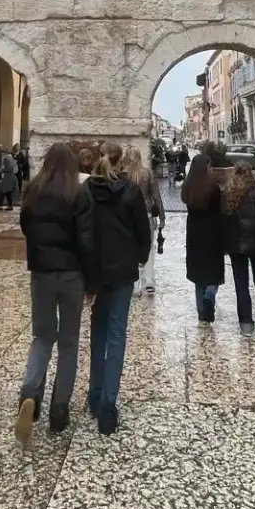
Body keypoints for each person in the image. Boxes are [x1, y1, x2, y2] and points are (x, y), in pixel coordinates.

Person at [15, 144, 96, 442]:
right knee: (69, 342)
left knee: (41, 336)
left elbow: (26, 227)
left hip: (43, 273)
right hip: (72, 274)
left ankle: (30, 394)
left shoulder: (33, 191)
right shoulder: (78, 194)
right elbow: (86, 240)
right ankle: (59, 410)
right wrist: (91, 281)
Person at [85, 143, 151, 435]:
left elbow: (82, 229)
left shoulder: (87, 190)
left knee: (97, 332)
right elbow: (142, 233)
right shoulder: (130, 191)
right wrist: (138, 258)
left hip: (95, 271)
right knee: (116, 334)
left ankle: (94, 395)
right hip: (122, 271)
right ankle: (108, 407)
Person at [222, 162, 255, 334]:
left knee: (241, 284)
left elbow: (223, 222)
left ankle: (246, 323)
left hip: (236, 245)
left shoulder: (227, 194)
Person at [181, 153, 226, 322]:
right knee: (213, 270)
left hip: (194, 231)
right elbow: (220, 210)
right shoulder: (212, 187)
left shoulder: (187, 186)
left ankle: (202, 312)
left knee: (198, 271)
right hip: (212, 230)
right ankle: (210, 294)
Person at [122, 146, 164, 294]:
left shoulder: (123, 174)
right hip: (146, 215)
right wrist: (162, 217)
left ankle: (135, 284)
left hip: (127, 217)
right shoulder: (147, 173)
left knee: (130, 249)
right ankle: (149, 281)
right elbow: (156, 197)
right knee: (149, 248)